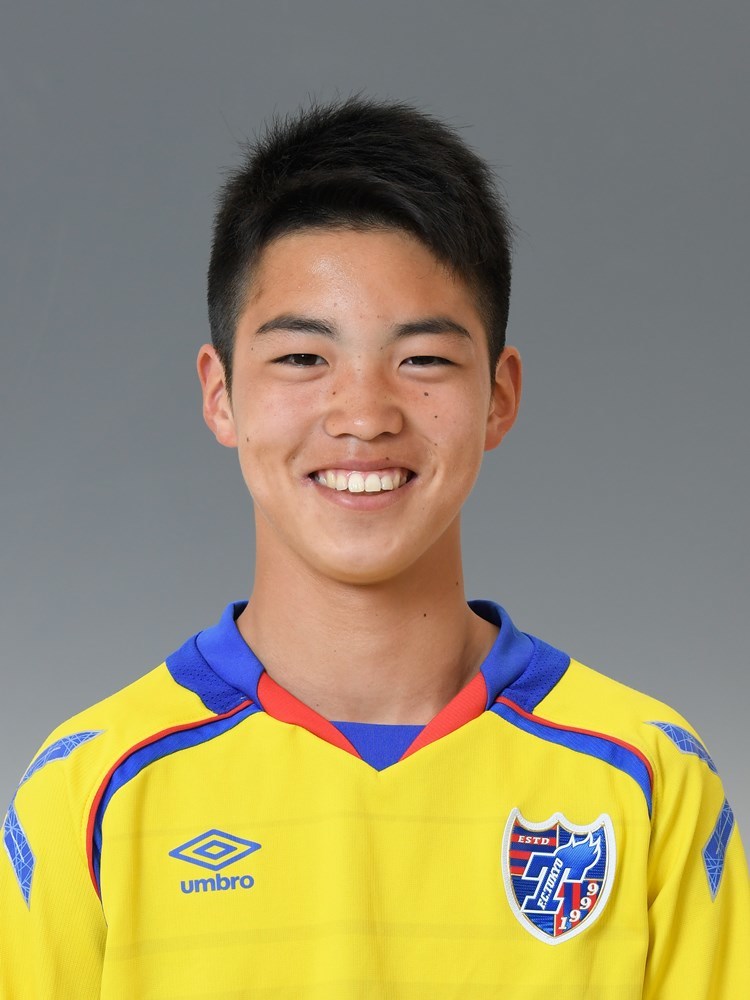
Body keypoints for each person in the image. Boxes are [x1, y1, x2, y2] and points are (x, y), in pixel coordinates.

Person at [1, 97, 748, 999]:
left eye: (423, 359)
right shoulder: (91, 792)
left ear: (499, 396)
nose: (363, 415)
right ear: (221, 394)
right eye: (302, 359)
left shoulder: (648, 780)